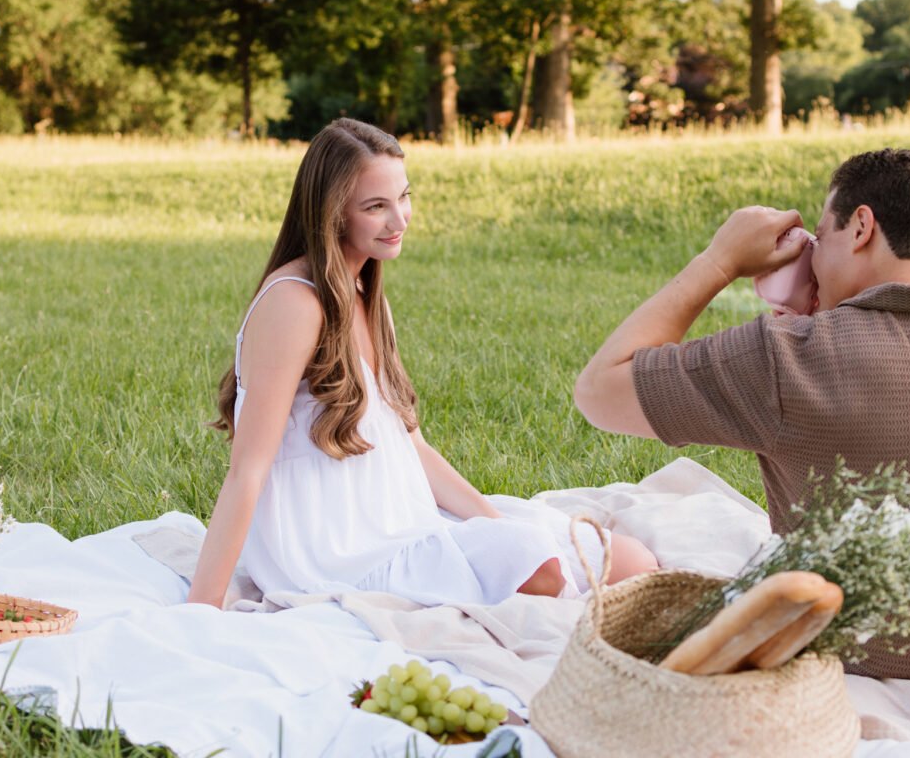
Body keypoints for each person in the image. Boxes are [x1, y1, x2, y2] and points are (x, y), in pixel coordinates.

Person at [573, 148, 910, 682]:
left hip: (841, 656)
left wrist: (719, 260)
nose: (812, 258)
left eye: (821, 237)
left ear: (861, 226)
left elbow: (597, 389)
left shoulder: (786, 357)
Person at [187, 118, 657, 610]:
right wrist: (203, 605)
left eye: (403, 198)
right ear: (332, 214)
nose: (400, 220)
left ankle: (500, 546)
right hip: (335, 545)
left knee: (630, 561)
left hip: (402, 514)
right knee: (543, 575)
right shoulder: (294, 305)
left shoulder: (367, 296)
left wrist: (494, 524)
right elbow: (248, 469)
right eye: (376, 207)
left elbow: (412, 445)